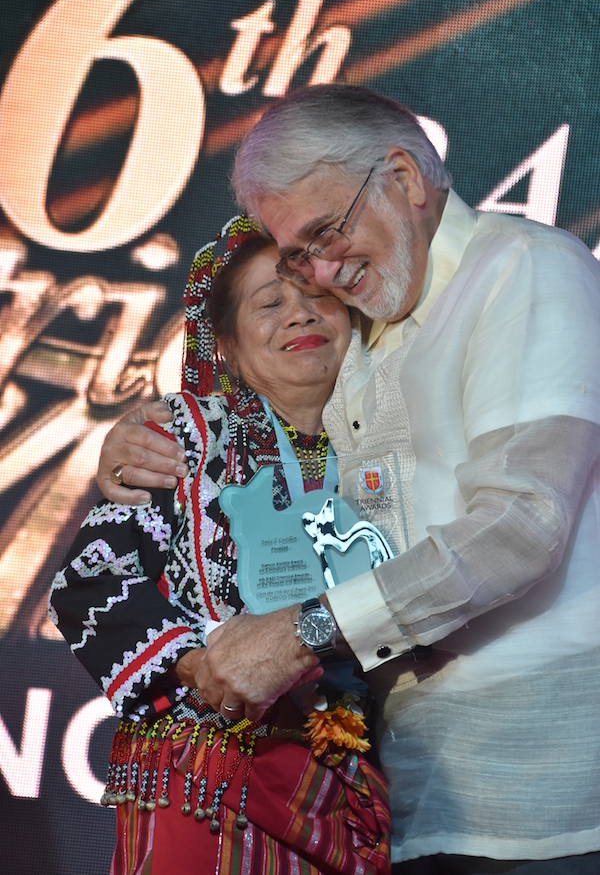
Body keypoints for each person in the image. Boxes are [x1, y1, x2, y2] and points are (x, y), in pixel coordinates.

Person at [97, 85, 600, 874]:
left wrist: (304, 630)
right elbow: (254, 425)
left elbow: (521, 525)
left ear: (403, 176)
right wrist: (141, 443)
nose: (323, 273)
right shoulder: (364, 333)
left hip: (539, 802)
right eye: (298, 254)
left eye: (327, 233)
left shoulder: (523, 272)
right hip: (399, 808)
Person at [49, 219, 391, 875]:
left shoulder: (388, 445)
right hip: (212, 786)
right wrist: (199, 664)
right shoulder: (185, 439)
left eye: (318, 297)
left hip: (346, 790)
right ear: (228, 344)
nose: (300, 314)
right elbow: (90, 580)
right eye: (270, 302)